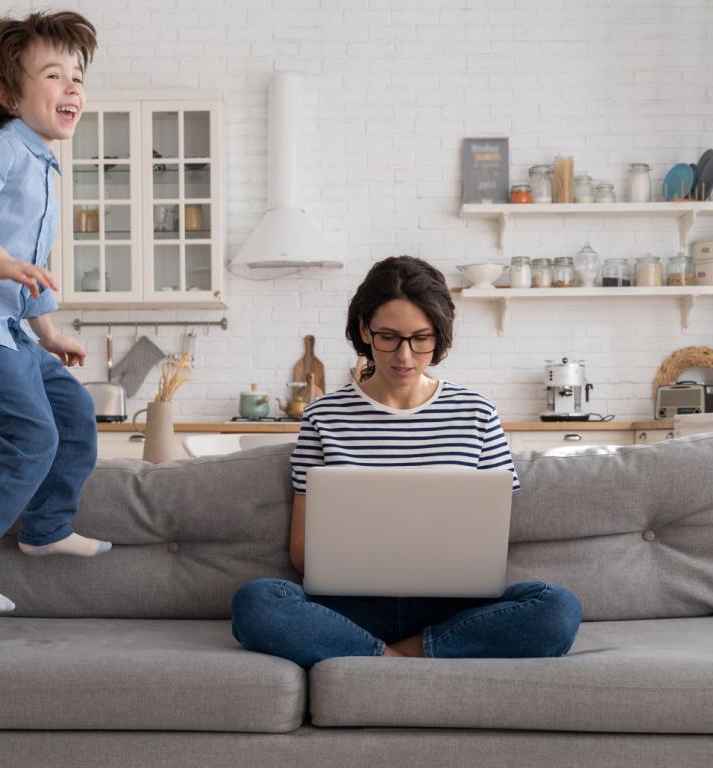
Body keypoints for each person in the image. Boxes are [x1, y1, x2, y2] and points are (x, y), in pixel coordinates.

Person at [231, 256, 582, 667]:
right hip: (350, 605)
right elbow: (302, 552)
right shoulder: (323, 416)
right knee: (256, 602)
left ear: (439, 335)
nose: (405, 356)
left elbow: (490, 542)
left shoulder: (476, 412)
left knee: (557, 608)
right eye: (388, 337)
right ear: (364, 330)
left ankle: (384, 658)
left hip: (447, 606)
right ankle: (411, 657)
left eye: (421, 339)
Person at [0, 11, 109, 615]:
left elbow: (34, 264)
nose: (72, 88)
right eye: (53, 75)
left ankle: (45, 527)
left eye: (77, 76)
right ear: (10, 94)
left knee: (74, 412)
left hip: (8, 329)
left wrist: (47, 332)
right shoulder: (0, 148)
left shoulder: (42, 164)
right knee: (32, 436)